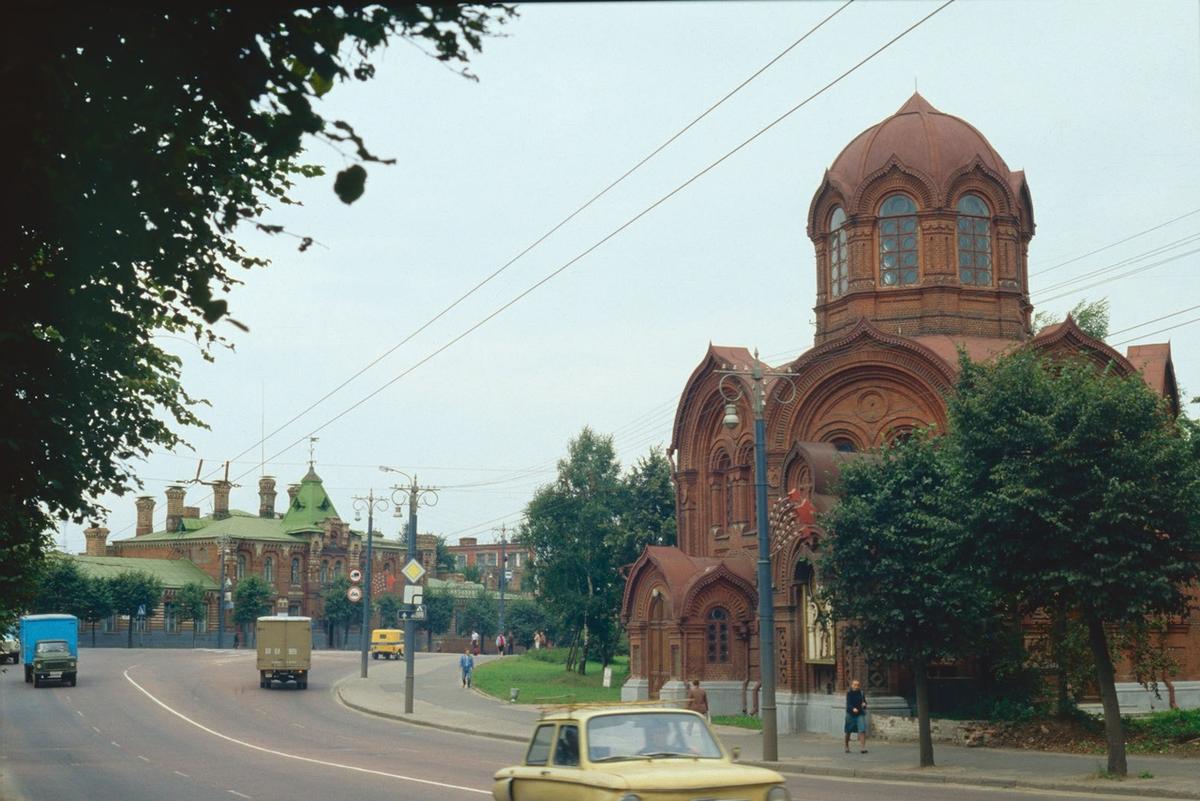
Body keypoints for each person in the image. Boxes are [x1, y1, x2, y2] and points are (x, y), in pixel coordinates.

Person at [844, 678, 868, 753]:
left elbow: (864, 702)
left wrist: (864, 705)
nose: (856, 686)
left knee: (862, 730)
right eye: (854, 685)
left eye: (857, 685)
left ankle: (863, 748)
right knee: (848, 731)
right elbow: (848, 704)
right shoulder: (849, 693)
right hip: (850, 714)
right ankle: (846, 746)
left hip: (860, 714)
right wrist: (853, 708)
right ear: (852, 685)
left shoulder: (861, 693)